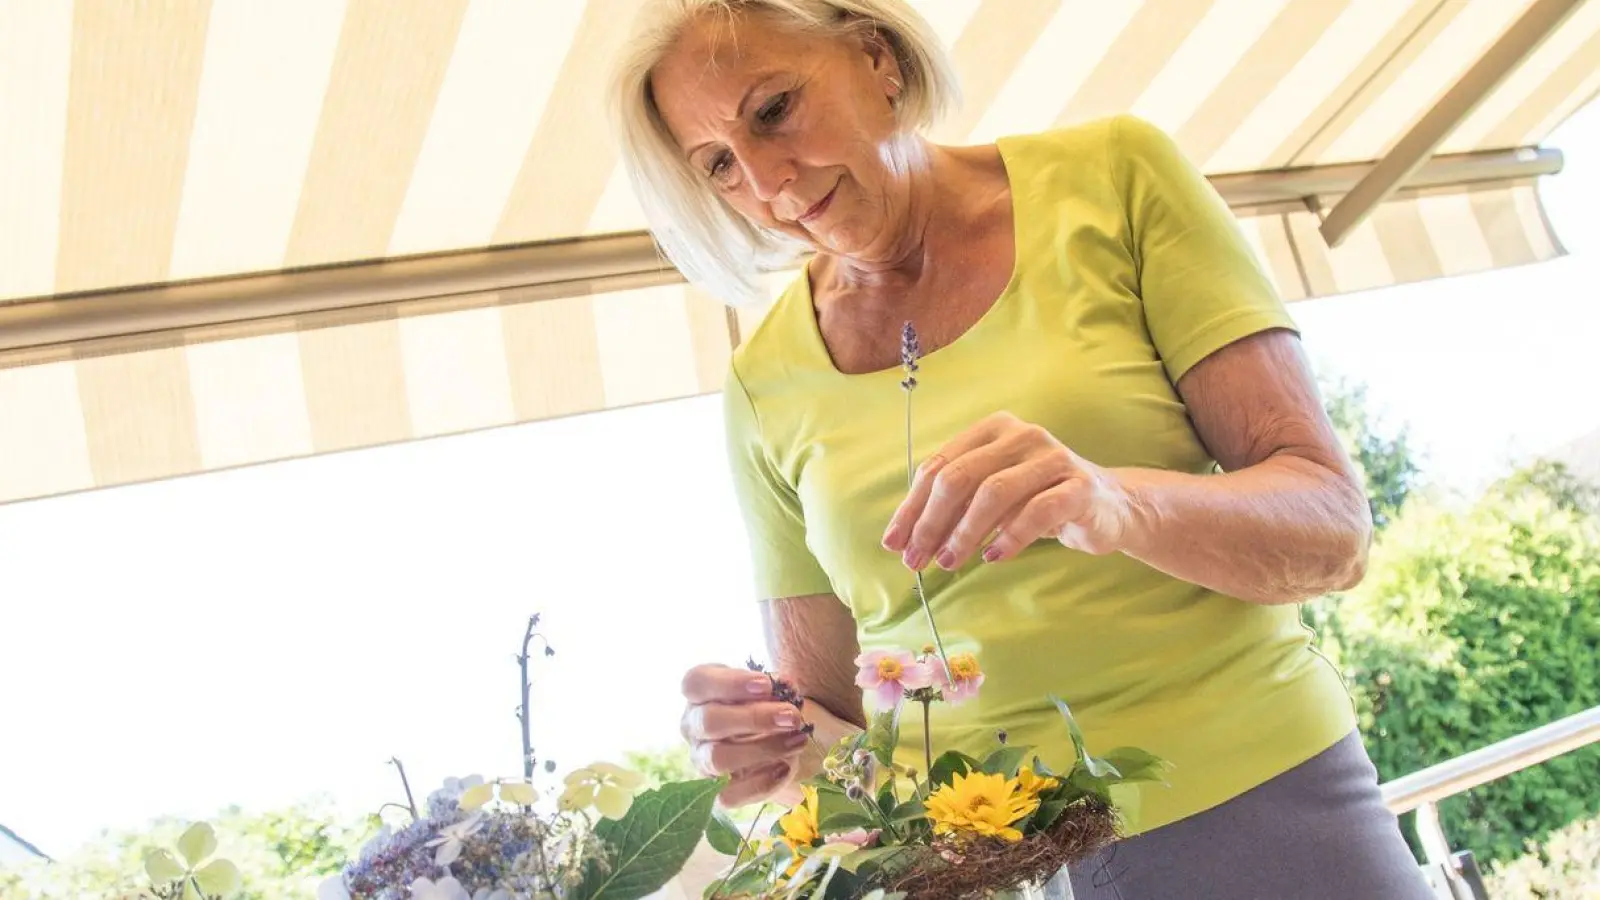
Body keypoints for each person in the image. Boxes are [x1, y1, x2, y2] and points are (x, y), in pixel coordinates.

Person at [608, 2, 1436, 897]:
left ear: (876, 58)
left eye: (772, 110)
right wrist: (755, 742)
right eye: (720, 164)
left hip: (1255, 806)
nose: (768, 181)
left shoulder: (1113, 177)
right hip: (966, 871)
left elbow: (1331, 531)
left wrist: (1114, 502)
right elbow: (827, 726)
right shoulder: (761, 385)